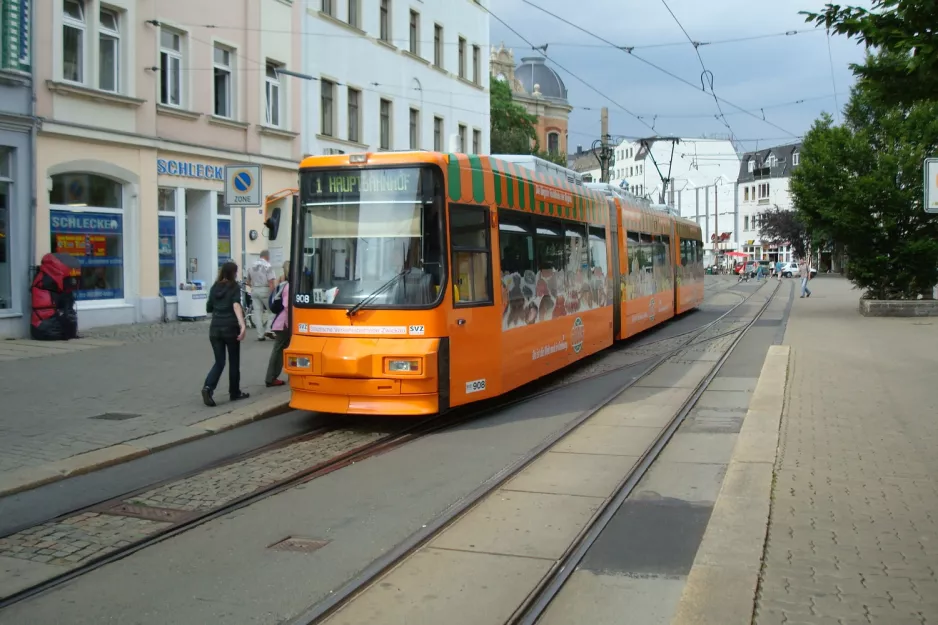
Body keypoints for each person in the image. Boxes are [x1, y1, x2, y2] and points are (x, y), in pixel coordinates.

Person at [202, 261, 250, 406]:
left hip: (215, 329)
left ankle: (208, 387)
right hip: (230, 328)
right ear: (233, 273)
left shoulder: (214, 287)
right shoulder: (234, 287)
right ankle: (234, 392)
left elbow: (209, 308)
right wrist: (242, 326)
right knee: (234, 362)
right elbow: (236, 305)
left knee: (219, 361)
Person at [265, 260, 291, 387]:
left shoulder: (283, 284)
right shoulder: (289, 286)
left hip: (281, 323)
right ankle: (271, 377)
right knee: (280, 350)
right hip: (284, 324)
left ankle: (273, 376)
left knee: (281, 350)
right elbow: (287, 306)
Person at [247, 250, 276, 340]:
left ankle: (260, 335)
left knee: (257, 313)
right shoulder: (268, 266)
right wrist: (272, 294)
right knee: (272, 310)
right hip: (265, 289)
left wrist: (254, 286)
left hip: (254, 290)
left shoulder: (251, 265)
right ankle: (268, 329)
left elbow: (248, 281)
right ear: (267, 256)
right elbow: (271, 282)